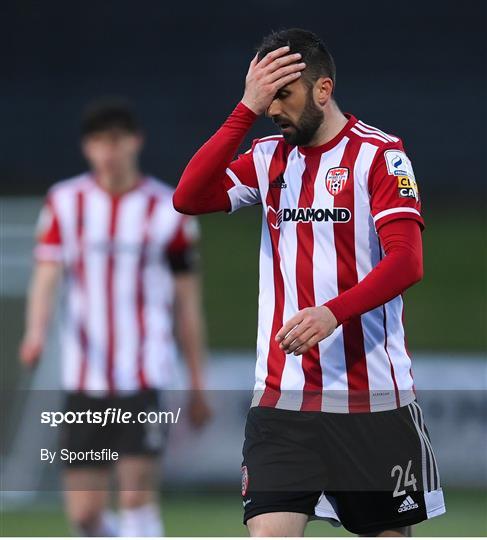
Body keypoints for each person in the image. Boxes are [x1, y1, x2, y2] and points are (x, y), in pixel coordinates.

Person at [173, 28, 445, 537]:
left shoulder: (381, 157)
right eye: (265, 95)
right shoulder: (269, 157)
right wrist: (244, 109)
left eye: (284, 94)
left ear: (323, 90)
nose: (274, 108)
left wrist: (332, 312)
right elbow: (188, 197)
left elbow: (407, 262)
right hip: (282, 401)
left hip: (371, 400)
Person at [20, 98, 211, 537]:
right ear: (87, 147)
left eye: (117, 141)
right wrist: (34, 333)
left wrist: (198, 382)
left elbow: (187, 302)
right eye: (99, 142)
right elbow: (46, 275)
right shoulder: (65, 203)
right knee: (85, 515)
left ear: (135, 142)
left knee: (135, 499)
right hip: (84, 377)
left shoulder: (168, 209)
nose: (109, 151)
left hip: (144, 373)